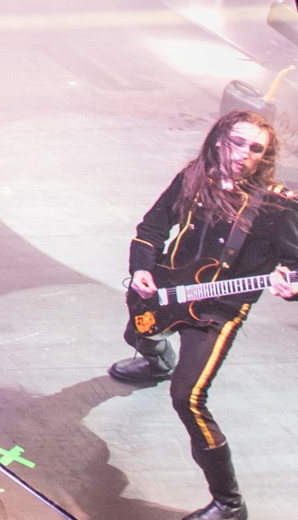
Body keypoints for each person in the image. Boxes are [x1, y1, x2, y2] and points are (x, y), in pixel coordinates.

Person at [106, 112, 298, 520]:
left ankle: (229, 503)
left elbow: (295, 264)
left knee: (188, 398)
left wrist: (292, 287)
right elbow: (152, 228)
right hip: (166, 289)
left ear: (264, 156)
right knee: (139, 329)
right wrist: (142, 268)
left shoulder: (277, 206)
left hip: (217, 310)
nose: (244, 154)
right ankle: (155, 358)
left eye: (256, 149)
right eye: (238, 142)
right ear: (218, 141)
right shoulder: (194, 177)